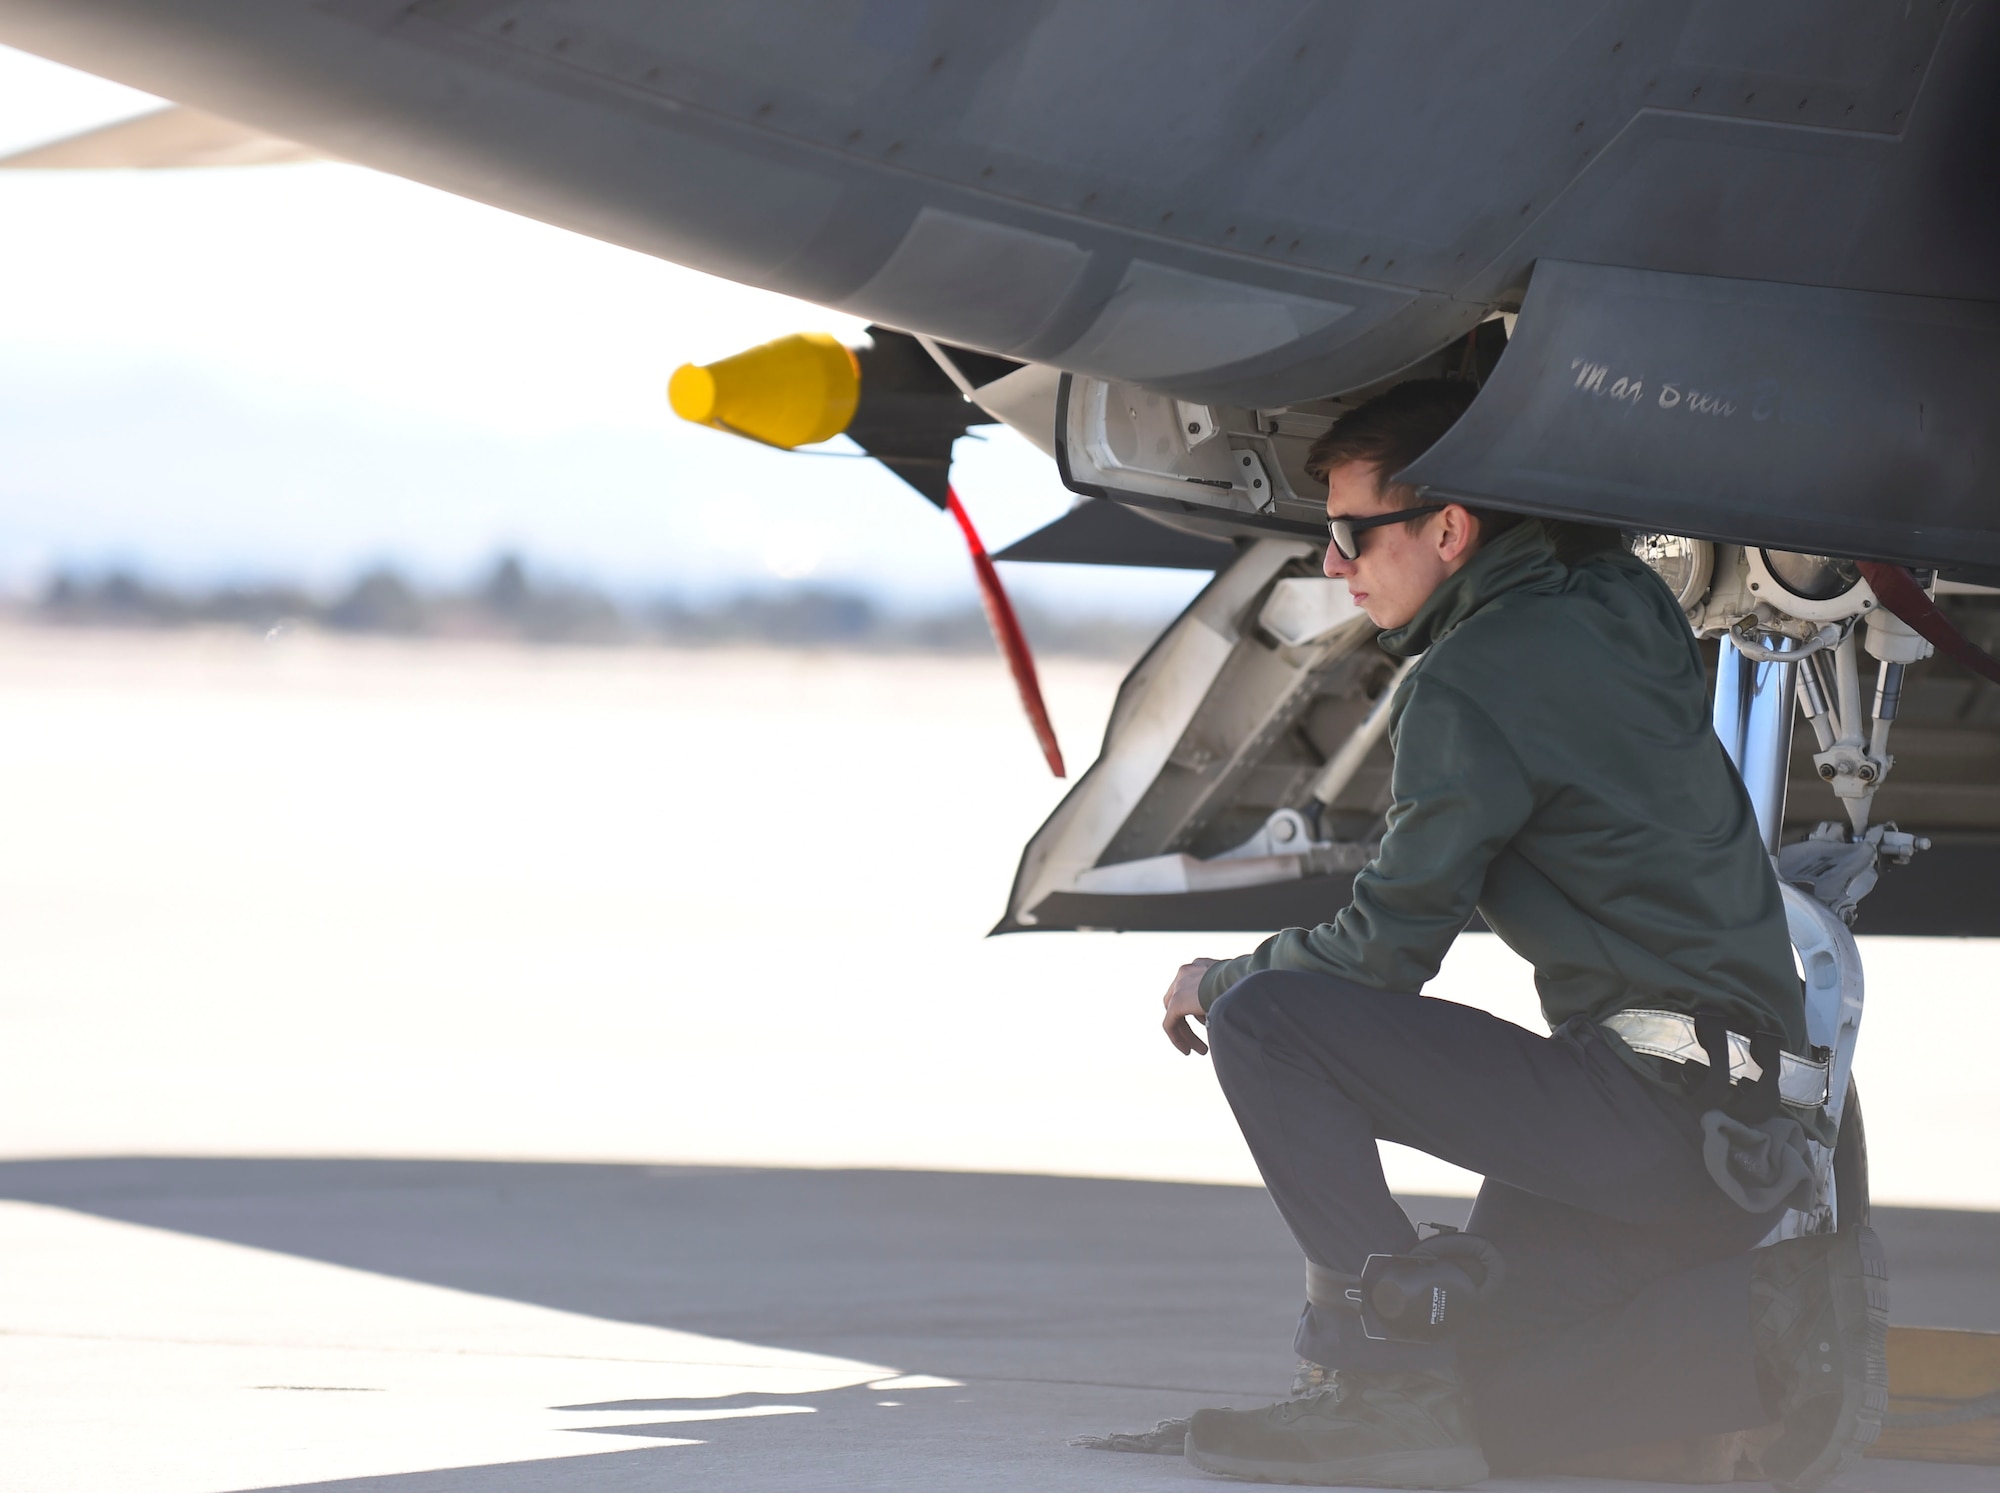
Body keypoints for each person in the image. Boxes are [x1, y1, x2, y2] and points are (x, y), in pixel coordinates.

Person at [1154, 379, 1886, 1489]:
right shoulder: (1620, 599)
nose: (1331, 564)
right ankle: (1759, 1333)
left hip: (1649, 1112)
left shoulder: (1468, 679)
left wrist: (1219, 976)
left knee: (1268, 1022)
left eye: (1350, 534)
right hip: (1749, 1137)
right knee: (1490, 1357)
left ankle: (1378, 1383)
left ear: (1446, 528)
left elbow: (1382, 948)